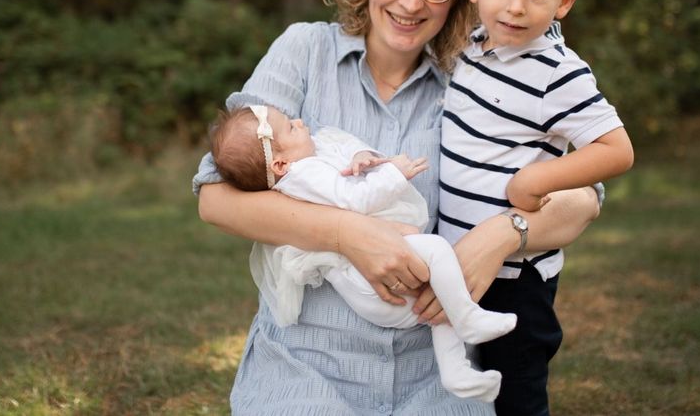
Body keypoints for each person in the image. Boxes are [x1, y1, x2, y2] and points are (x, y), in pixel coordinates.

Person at [194, 0, 603, 415]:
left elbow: (584, 196)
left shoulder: (478, 78)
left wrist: (501, 237)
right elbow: (216, 199)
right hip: (306, 366)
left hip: (435, 372)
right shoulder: (304, 51)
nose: (411, 2)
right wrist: (350, 235)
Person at [434, 0, 635, 416]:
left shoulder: (557, 72)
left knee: (515, 396)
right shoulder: (474, 47)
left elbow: (617, 149)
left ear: (564, 1)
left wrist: (536, 184)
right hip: (459, 266)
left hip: (516, 279)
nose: (515, 6)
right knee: (460, 393)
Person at [209, 104, 518, 402]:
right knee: (438, 251)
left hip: (372, 284)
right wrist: (394, 173)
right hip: (368, 283)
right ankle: (467, 319)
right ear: (279, 165)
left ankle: (456, 373)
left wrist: (361, 156)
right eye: (291, 127)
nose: (301, 123)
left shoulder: (306, 163)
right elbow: (354, 200)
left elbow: (336, 160)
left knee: (437, 297)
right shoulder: (304, 175)